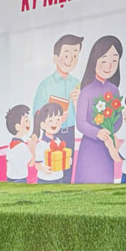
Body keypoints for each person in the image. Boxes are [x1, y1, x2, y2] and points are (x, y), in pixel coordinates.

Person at [32, 34, 84, 183]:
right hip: (51, 134)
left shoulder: (78, 84)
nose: (70, 59)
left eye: (75, 55)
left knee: (66, 172)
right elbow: (37, 113)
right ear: (56, 58)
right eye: (66, 54)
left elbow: (83, 115)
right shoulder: (46, 85)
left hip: (70, 133)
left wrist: (77, 103)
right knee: (49, 172)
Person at [75, 35, 123, 183]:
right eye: (104, 60)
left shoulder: (114, 90)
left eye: (114, 61)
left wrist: (110, 131)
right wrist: (97, 132)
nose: (109, 65)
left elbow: (119, 117)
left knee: (104, 186)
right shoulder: (86, 91)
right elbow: (81, 123)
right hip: (90, 146)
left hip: (107, 147)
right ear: (94, 61)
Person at [32, 103, 67, 184]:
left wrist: (67, 161)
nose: (55, 123)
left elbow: (61, 158)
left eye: (58, 119)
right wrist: (44, 168)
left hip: (59, 177)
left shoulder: (58, 140)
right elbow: (37, 164)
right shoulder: (42, 144)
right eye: (50, 120)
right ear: (43, 125)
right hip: (45, 179)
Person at [4, 104, 35, 183]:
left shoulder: (11, 144)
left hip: (10, 178)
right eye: (26, 120)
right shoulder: (21, 146)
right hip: (20, 179)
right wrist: (32, 148)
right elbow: (31, 163)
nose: (30, 122)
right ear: (18, 126)